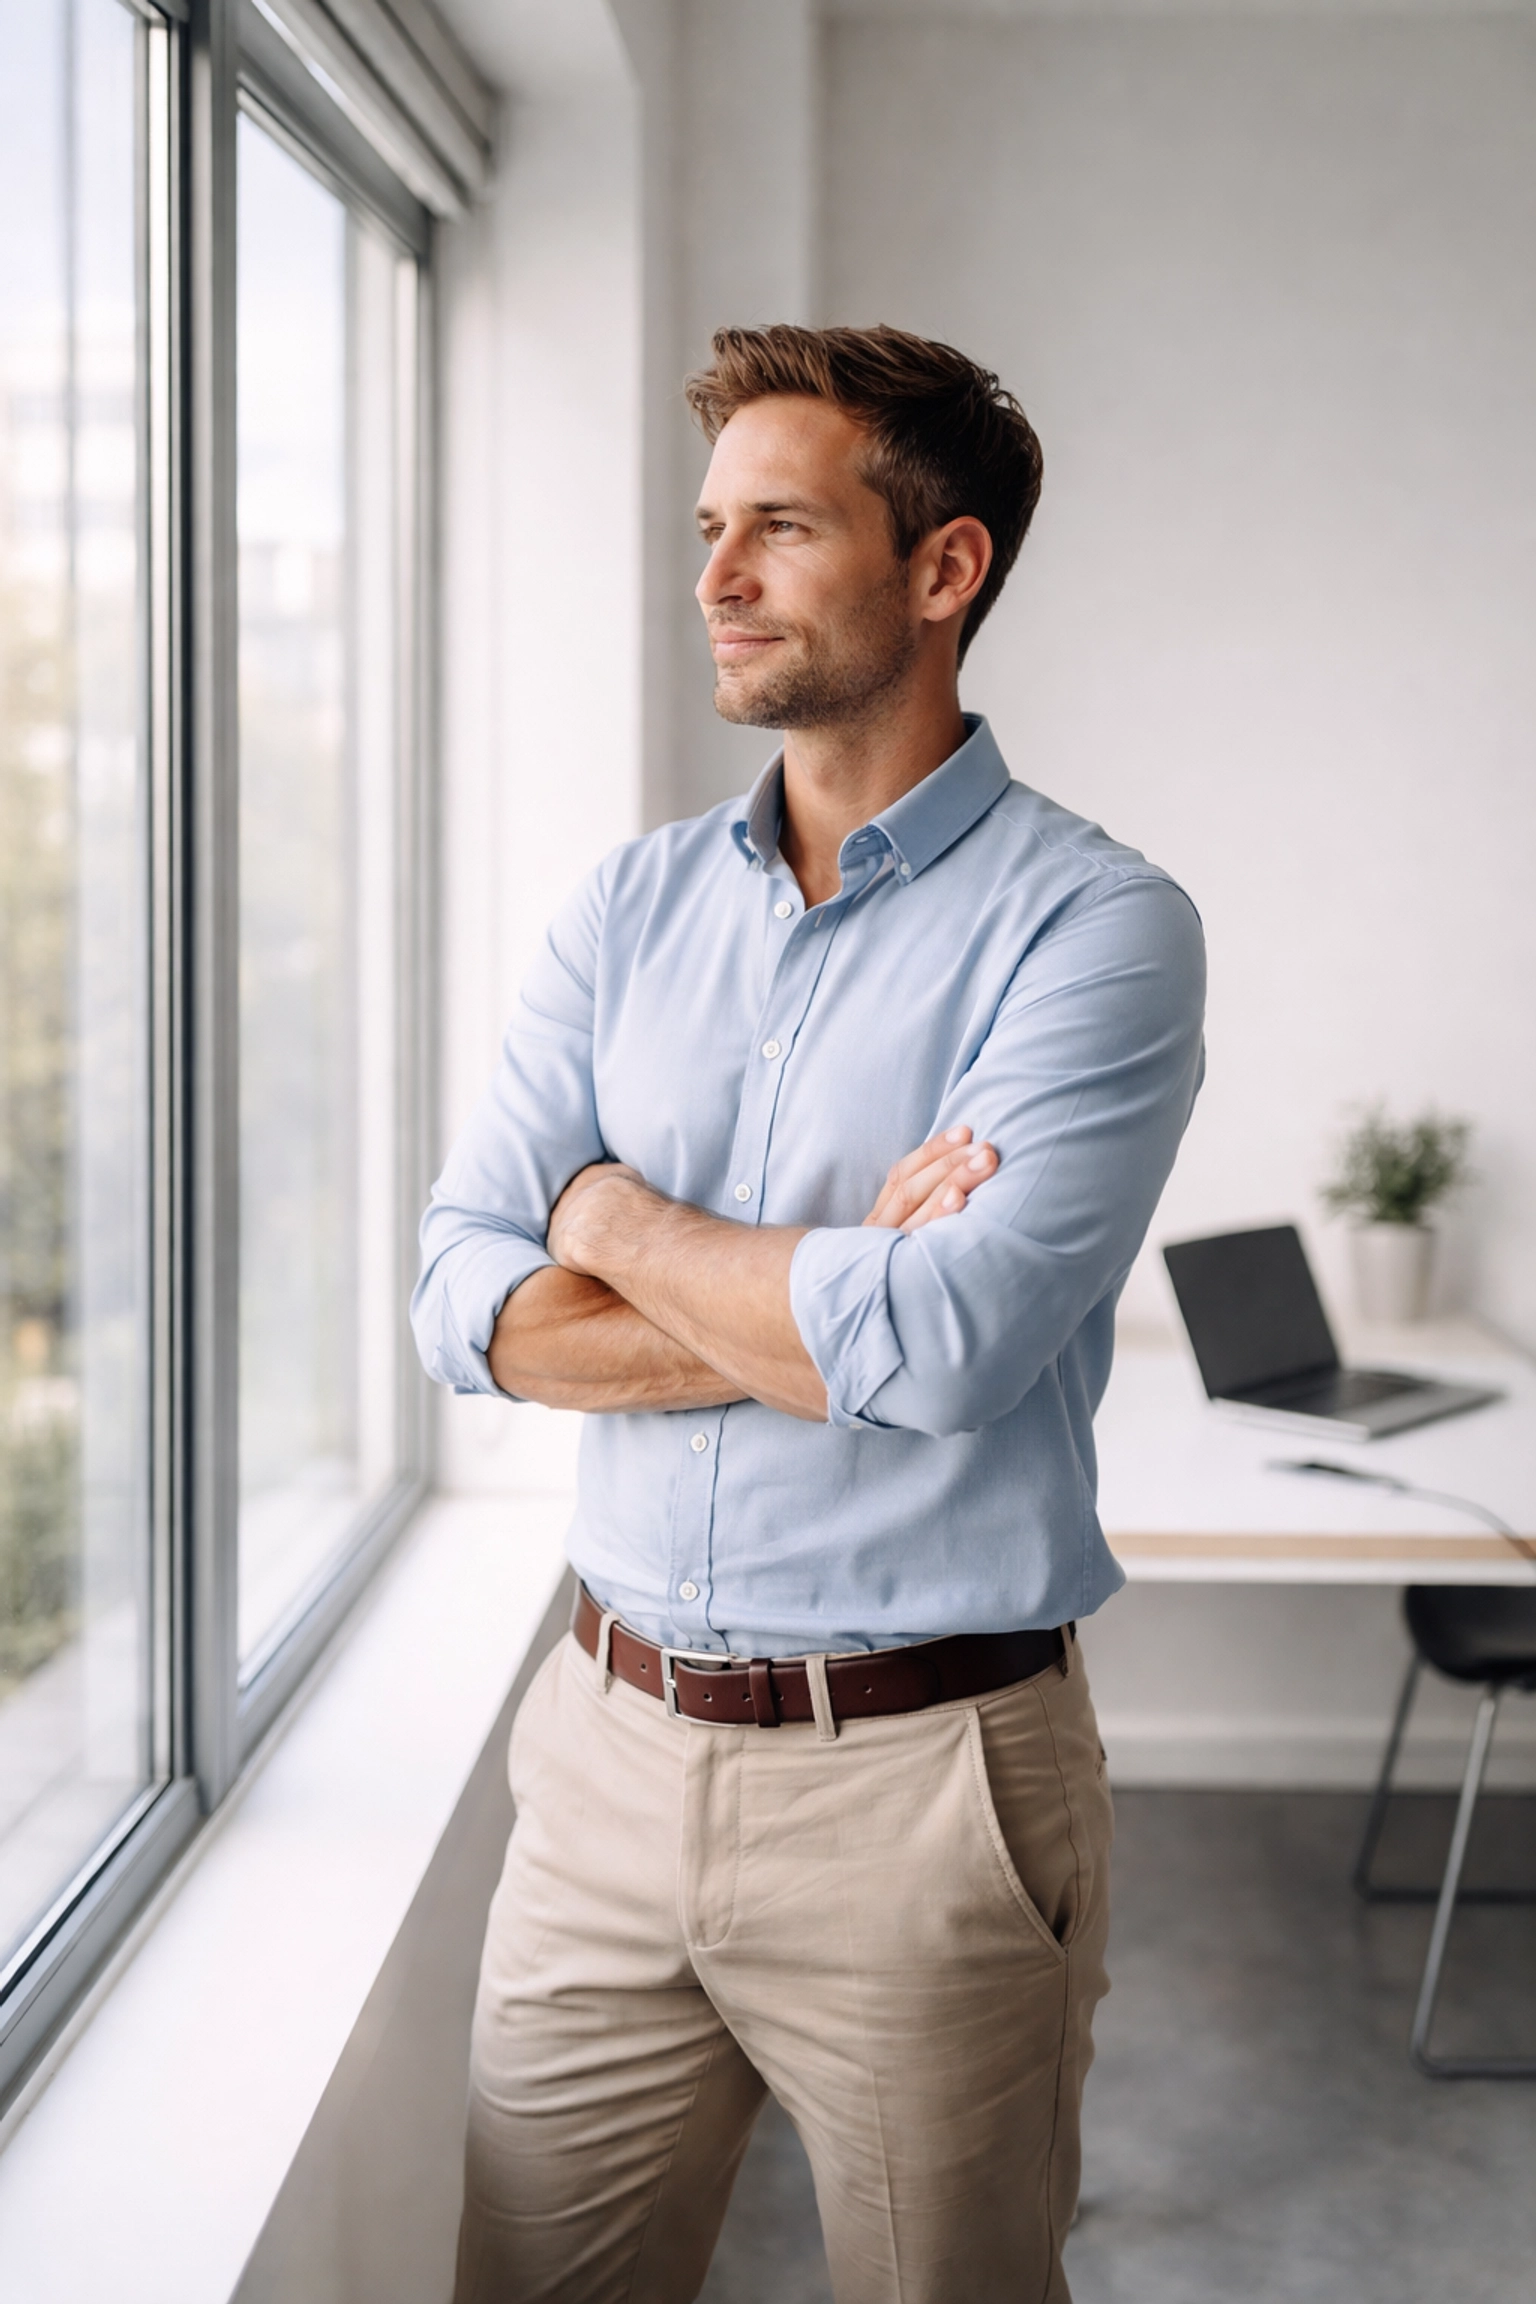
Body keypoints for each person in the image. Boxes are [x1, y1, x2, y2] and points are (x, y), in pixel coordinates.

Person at [412, 323, 1206, 2304]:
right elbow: (458, 1302)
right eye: (708, 528)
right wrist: (835, 1285)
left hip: (923, 1795)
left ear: (946, 570)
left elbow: (947, 1353)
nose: (717, 577)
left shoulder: (1099, 929)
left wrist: (605, 1214)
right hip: (597, 1754)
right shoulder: (624, 911)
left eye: (779, 525)